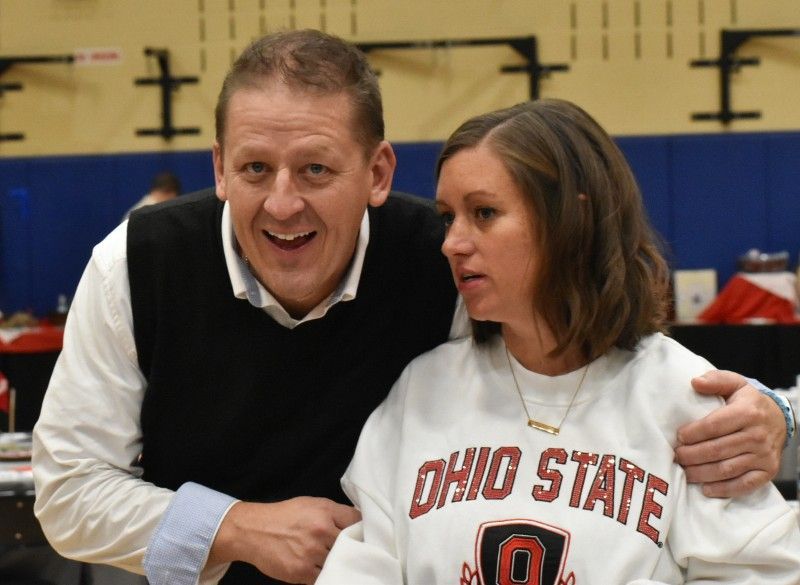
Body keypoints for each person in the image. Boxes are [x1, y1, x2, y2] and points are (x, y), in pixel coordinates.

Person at [31, 30, 791, 585]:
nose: (283, 202)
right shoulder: (136, 263)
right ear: (220, 169)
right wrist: (236, 527)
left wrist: (775, 414)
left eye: (316, 168)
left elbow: (593, 353)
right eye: (255, 168)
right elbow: (66, 492)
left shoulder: (446, 268)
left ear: (378, 173)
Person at [316, 99, 800, 584]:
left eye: (484, 213)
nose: (452, 243)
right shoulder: (423, 389)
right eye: (448, 217)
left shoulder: (679, 394)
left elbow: (764, 572)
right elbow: (364, 565)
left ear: (571, 219)